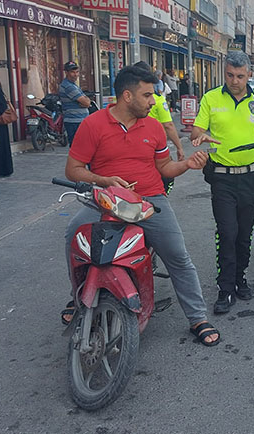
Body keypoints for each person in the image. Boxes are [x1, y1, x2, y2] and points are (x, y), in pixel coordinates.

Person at [63, 65, 220, 346]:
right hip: (106, 201)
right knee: (74, 233)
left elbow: (165, 167)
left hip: (150, 200)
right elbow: (73, 169)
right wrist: (103, 179)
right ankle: (79, 296)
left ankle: (197, 317)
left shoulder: (154, 128)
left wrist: (186, 164)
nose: (153, 101)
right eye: (147, 95)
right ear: (127, 96)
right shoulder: (93, 124)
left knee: (178, 256)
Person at [190, 51, 254, 314]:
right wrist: (201, 137)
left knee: (243, 234)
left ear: (249, 74)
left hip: (251, 176)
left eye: (240, 76)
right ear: (224, 73)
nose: (235, 81)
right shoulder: (211, 98)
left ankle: (241, 279)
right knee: (227, 233)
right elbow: (196, 130)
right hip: (222, 177)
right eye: (230, 75)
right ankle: (225, 288)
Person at [133, 61, 185, 195]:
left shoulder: (123, 99)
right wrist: (179, 147)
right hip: (153, 147)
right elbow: (168, 125)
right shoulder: (157, 99)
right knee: (164, 177)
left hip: (131, 149)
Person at [59, 61, 91, 146]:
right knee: (78, 148)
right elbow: (86, 102)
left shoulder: (74, 85)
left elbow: (86, 101)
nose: (75, 74)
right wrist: (85, 102)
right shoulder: (68, 86)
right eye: (72, 72)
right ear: (66, 72)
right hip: (74, 121)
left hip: (80, 120)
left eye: (77, 72)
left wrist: (85, 101)